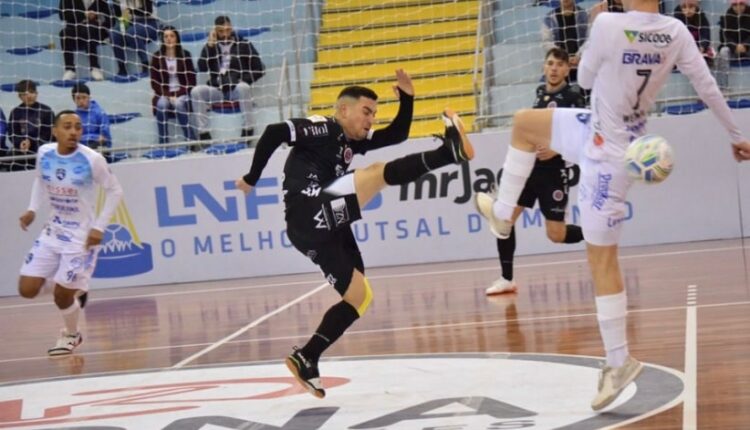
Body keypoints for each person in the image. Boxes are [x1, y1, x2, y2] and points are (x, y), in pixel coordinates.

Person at [474, 0, 750, 411]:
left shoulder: (607, 24)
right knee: (524, 123)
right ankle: (501, 215)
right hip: (598, 128)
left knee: (602, 261)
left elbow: (584, 78)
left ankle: (619, 361)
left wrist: (595, 31)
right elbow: (706, 84)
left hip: (609, 158)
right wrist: (735, 134)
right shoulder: (674, 31)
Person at [235, 69, 474, 398]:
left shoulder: (350, 142)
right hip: (309, 210)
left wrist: (407, 99)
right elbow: (276, 131)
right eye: (367, 112)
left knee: (359, 297)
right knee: (375, 175)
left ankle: (307, 356)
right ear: (343, 109)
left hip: (315, 229)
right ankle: (449, 153)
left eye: (374, 114)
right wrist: (252, 176)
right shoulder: (325, 127)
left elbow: (397, 136)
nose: (371, 120)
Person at [18, 110, 123, 356]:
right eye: (67, 126)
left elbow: (115, 191)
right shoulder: (44, 153)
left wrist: (98, 227)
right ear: (55, 131)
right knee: (27, 289)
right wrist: (32, 209)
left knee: (61, 296)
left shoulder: (92, 159)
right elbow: (39, 180)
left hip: (81, 237)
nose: (74, 131)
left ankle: (71, 335)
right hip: (52, 231)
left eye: (78, 127)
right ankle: (78, 286)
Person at [486, 47, 586, 296]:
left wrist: (556, 151)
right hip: (529, 170)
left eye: (559, 65)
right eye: (550, 63)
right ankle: (506, 278)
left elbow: (583, 136)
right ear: (544, 67)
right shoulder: (540, 94)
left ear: (567, 69)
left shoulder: (573, 97)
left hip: (553, 173)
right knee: (504, 221)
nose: (554, 68)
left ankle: (598, 233)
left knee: (556, 234)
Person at [192, 15, 265, 142]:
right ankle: (203, 133)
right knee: (196, 91)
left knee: (244, 87)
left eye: (227, 30)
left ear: (231, 28)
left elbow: (259, 68)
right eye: (221, 31)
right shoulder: (211, 47)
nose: (225, 34)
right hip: (217, 89)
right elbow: (201, 67)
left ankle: (248, 129)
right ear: (215, 31)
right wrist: (209, 46)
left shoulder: (244, 44)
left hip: (235, 88)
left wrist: (244, 79)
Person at [150, 26, 197, 146]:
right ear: (162, 39)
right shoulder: (156, 57)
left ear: (177, 38)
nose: (169, 39)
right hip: (164, 94)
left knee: (178, 104)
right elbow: (154, 83)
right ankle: (164, 143)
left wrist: (177, 94)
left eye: (172, 36)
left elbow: (191, 81)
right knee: (161, 105)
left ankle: (191, 140)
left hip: (182, 93)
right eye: (166, 36)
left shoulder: (185, 55)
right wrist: (168, 95)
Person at [58, 0, 114, 81]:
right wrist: (84, 15)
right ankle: (69, 69)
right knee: (64, 33)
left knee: (88, 29)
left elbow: (110, 19)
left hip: (95, 29)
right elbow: (63, 15)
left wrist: (102, 24)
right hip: (75, 28)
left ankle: (95, 68)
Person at [9, 80, 55, 171]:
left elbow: (50, 134)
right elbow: (12, 133)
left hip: (42, 150)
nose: (29, 96)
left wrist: (32, 142)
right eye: (24, 94)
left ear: (36, 93)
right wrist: (20, 143)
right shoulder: (15, 112)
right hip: (22, 151)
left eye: (31, 92)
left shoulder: (46, 111)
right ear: (19, 96)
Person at [111, 0, 160, 77]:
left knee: (131, 33)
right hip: (130, 23)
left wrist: (130, 11)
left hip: (149, 22)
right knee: (114, 33)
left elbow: (148, 11)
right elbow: (119, 15)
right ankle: (122, 67)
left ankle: (145, 64)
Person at [542, 0, 588, 83]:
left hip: (581, 65)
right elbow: (546, 42)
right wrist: (563, 57)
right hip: (559, 66)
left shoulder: (585, 15)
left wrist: (579, 56)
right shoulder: (549, 18)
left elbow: (590, 40)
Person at [72, 83, 112, 150]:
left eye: (84, 97)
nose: (81, 101)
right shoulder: (74, 116)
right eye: (78, 98)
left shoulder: (99, 113)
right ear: (74, 100)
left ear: (89, 98)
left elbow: (105, 137)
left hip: (97, 146)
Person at [673, 0, 713, 67]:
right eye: (684, 7)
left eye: (691, 7)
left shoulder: (702, 18)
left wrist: (702, 47)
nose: (687, 10)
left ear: (696, 7)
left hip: (698, 49)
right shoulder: (677, 20)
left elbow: (705, 35)